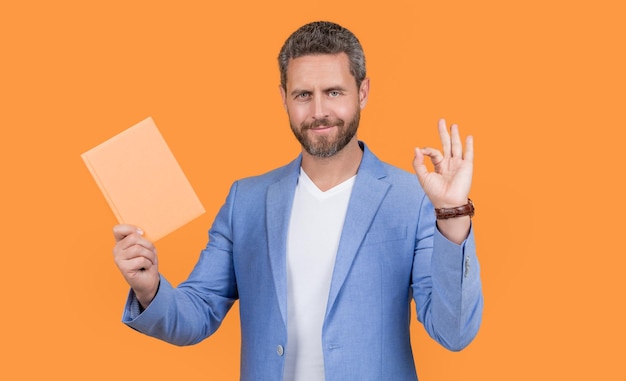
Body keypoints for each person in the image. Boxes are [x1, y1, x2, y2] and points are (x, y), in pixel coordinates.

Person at [112, 21, 483, 381]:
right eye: (303, 95)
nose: (319, 111)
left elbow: (454, 332)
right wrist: (149, 289)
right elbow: (198, 312)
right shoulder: (247, 201)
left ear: (363, 92)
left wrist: (453, 216)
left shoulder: (412, 199)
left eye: (334, 92)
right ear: (284, 98)